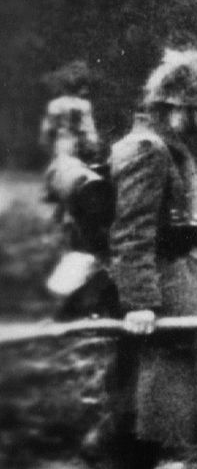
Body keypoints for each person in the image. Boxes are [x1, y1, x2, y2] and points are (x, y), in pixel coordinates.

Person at [82, 48, 197, 469]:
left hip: (174, 269)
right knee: (165, 371)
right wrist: (139, 303)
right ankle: (124, 465)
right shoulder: (147, 152)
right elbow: (130, 233)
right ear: (177, 104)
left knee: (155, 371)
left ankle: (124, 465)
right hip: (157, 277)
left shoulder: (165, 148)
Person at [40, 74, 115, 316]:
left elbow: (48, 134)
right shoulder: (82, 107)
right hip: (77, 152)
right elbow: (88, 133)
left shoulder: (56, 108)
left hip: (63, 153)